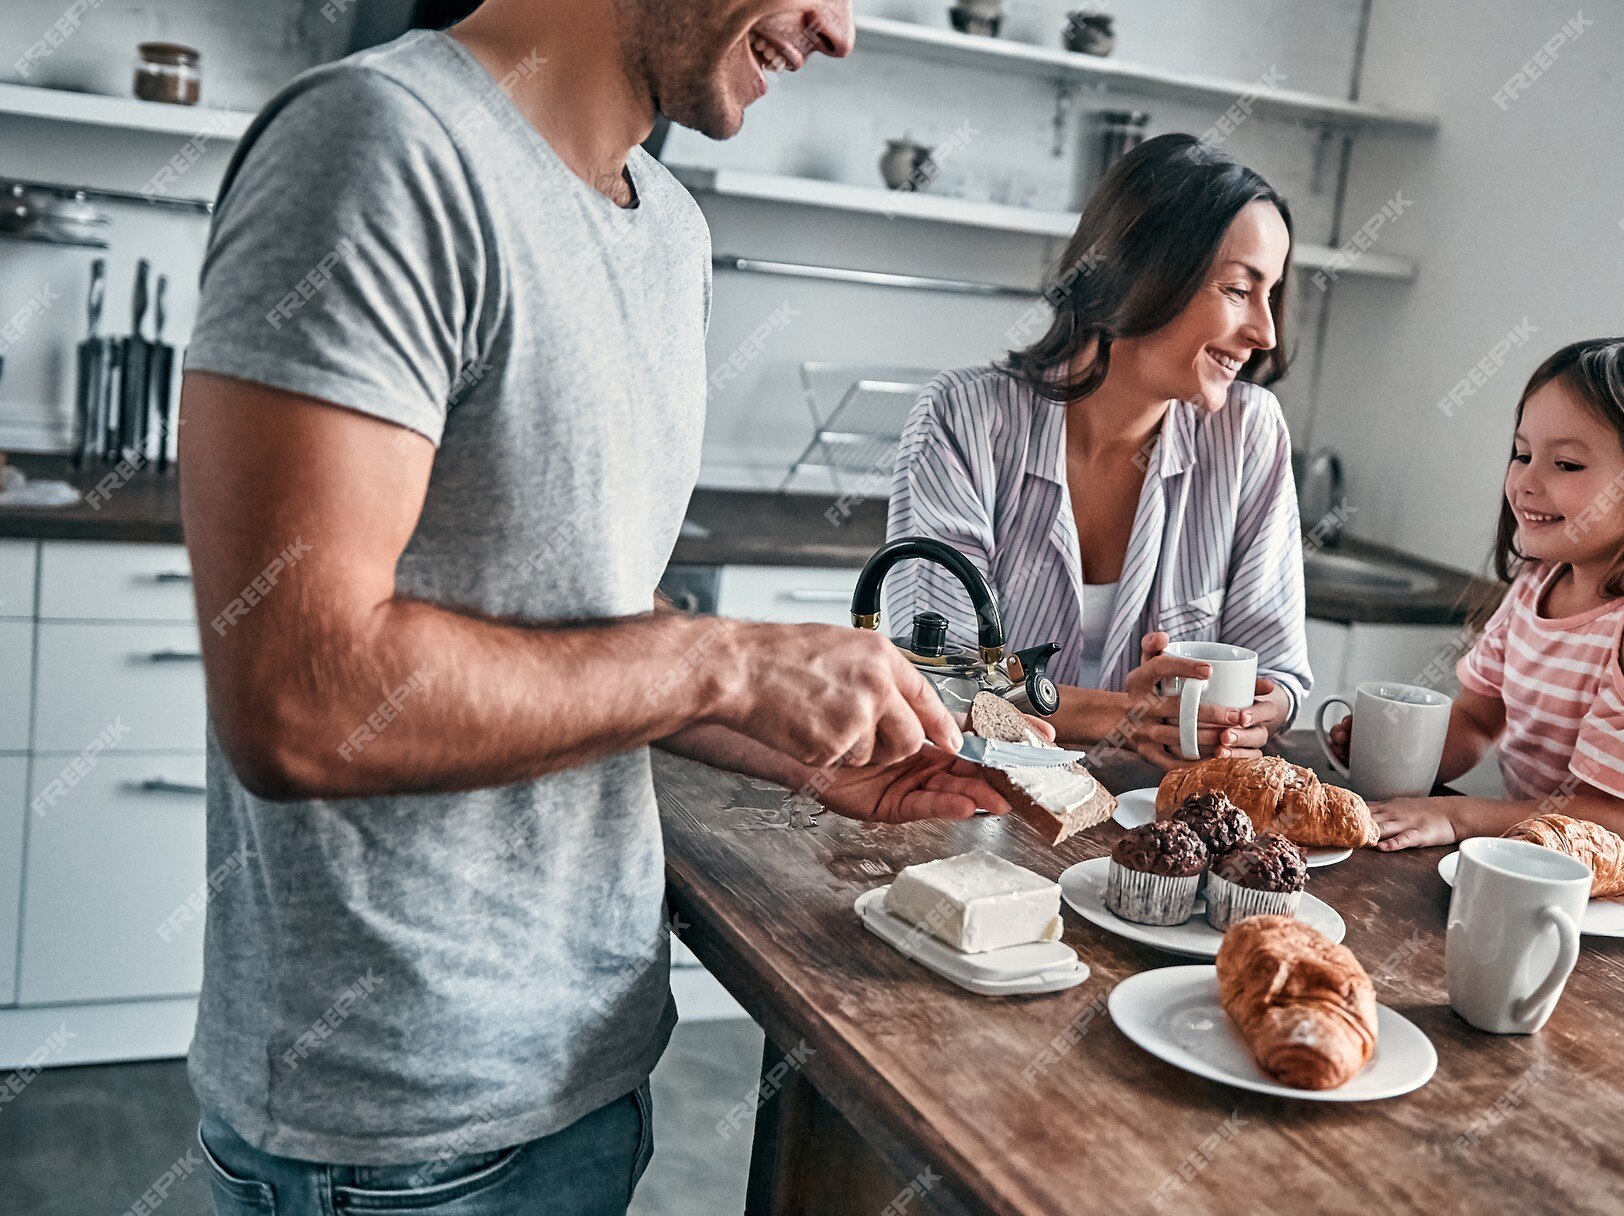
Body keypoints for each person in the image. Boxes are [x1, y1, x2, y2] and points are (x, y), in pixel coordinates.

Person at [177, 1, 1019, 1210]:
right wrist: (723, 663)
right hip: (392, 1137)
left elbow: (574, 626)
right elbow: (303, 699)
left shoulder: (666, 229)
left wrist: (796, 747)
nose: (838, 32)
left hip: (587, 1078)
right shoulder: (383, 143)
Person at [885, 134, 1311, 774]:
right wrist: (1123, 717)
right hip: (972, 803)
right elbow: (934, 673)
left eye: (1270, 294)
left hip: (1159, 828)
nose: (1265, 332)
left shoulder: (1250, 435)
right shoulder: (964, 420)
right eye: (1236, 290)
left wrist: (1256, 711)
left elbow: (1277, 670)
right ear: (1141, 276)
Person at [1325, 337, 1624, 899]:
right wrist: (1403, 750)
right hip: (1537, 876)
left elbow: (1618, 828)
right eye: (1522, 453)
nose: (1525, 480)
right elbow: (1477, 722)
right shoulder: (1536, 586)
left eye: (1567, 463)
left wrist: (1458, 819)